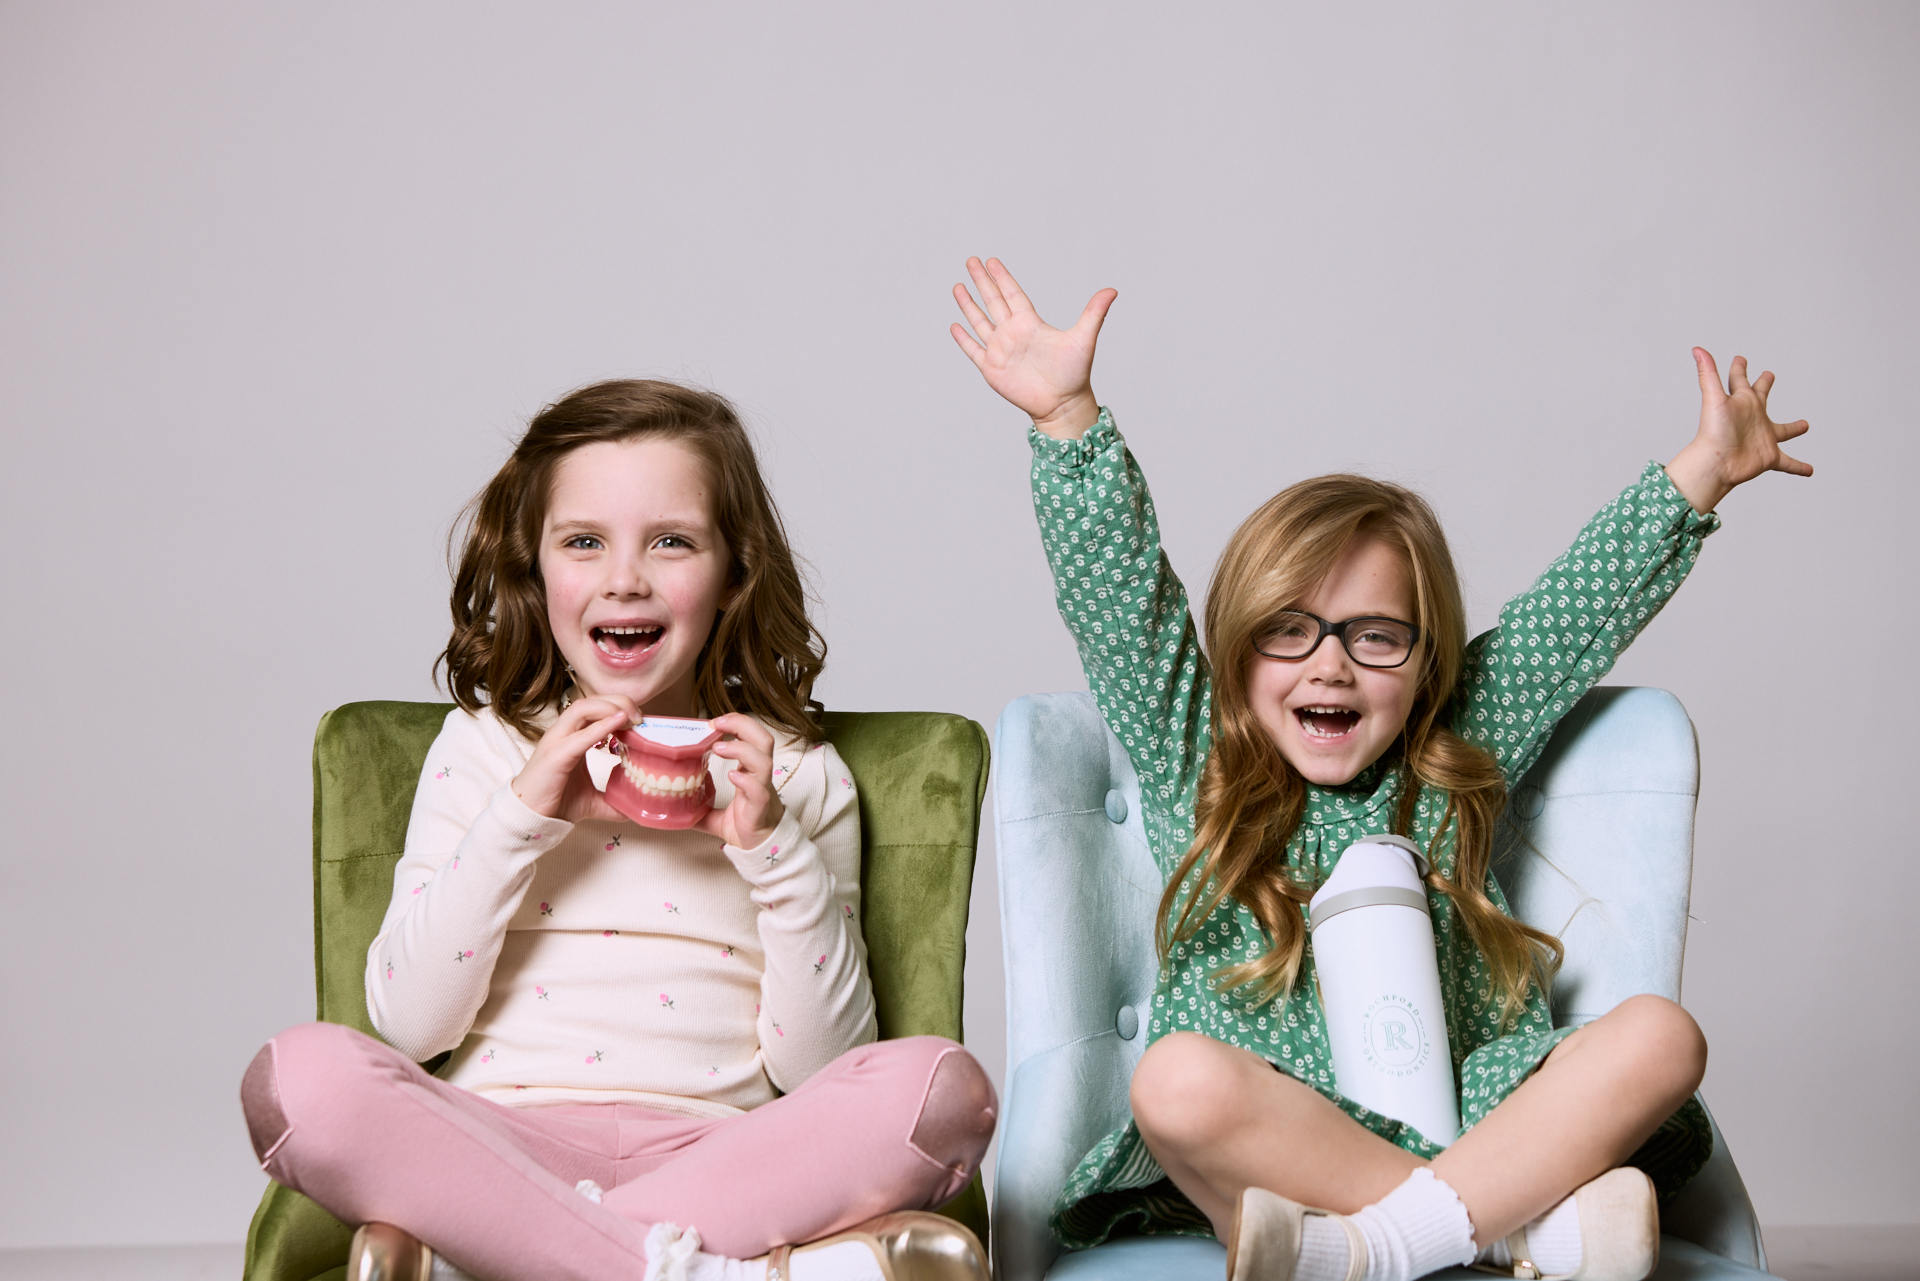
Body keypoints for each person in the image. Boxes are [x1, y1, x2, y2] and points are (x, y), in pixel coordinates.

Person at [949, 258, 1810, 1281]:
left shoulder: (1453, 754)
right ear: (1234, 658)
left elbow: (1574, 609)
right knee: (1175, 1082)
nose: (1330, 662)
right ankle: (1510, 1230)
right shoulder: (1203, 762)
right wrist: (1067, 418)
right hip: (1281, 1137)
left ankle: (1372, 1249)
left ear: (1425, 664)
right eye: (1291, 632)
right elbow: (1121, 603)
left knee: (1662, 1038)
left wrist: (1705, 470)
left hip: (1474, 1109)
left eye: (1374, 637)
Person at [240, 381, 995, 1281]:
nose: (623, 577)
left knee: (943, 1091)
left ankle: (502, 1258)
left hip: (722, 1159)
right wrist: (523, 816)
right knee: (300, 1077)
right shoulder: (487, 749)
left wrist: (771, 847)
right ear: (536, 570)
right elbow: (404, 1027)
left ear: (733, 574)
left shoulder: (793, 773)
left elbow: (819, 1068)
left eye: (672, 541)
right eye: (584, 542)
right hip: (497, 1145)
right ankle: (712, 1272)